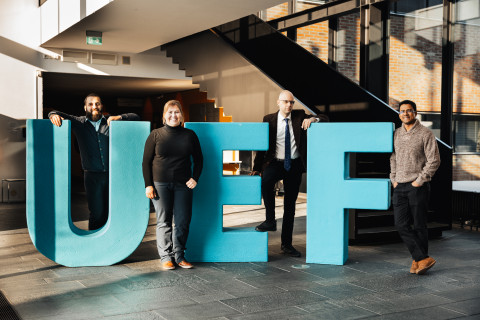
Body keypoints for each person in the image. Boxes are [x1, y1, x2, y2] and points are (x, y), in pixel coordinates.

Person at [251, 90, 328, 257]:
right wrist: (257, 167)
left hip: (294, 165)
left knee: (290, 206)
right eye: (286, 102)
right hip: (275, 163)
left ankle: (286, 244)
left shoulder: (299, 115)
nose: (289, 105)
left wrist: (312, 119)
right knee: (265, 182)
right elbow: (262, 146)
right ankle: (270, 220)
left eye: (292, 102)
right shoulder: (269, 119)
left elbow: (325, 117)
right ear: (278, 102)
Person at [48, 93, 140, 230]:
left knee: (112, 212)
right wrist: (52, 115)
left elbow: (136, 117)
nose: (94, 106)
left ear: (101, 106)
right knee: (97, 213)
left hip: (113, 176)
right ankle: (96, 243)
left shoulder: (111, 120)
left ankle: (111, 244)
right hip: (92, 177)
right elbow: (54, 112)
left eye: (97, 103)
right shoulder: (78, 122)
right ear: (85, 107)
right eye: (90, 104)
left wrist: (120, 117)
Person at [142, 100, 203, 270]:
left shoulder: (190, 135)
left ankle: (180, 256)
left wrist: (195, 178)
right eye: (170, 112)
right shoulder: (155, 135)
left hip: (183, 185)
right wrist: (148, 185)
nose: (173, 115)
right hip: (160, 184)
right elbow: (145, 162)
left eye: (177, 112)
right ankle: (166, 257)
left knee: (183, 221)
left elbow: (199, 160)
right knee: (164, 221)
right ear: (164, 115)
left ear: (181, 115)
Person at [390, 100, 440, 275]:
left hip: (417, 186)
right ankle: (422, 258)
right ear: (399, 114)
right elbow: (393, 157)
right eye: (402, 111)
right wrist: (393, 178)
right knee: (400, 225)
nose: (405, 113)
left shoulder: (426, 134)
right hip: (399, 185)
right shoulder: (396, 133)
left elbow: (434, 160)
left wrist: (420, 180)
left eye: (409, 111)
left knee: (419, 226)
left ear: (415, 113)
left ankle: (417, 261)